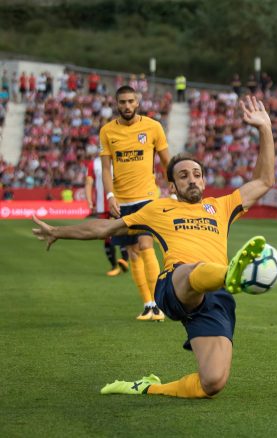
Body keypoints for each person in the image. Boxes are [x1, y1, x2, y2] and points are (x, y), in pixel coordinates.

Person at [31, 96, 275, 399]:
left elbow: (265, 180)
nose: (192, 180)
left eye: (197, 174)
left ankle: (149, 386)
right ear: (171, 186)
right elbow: (105, 228)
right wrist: (58, 231)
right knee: (193, 270)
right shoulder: (157, 209)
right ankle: (233, 273)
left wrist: (265, 128)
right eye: (183, 176)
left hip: (214, 298)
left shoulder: (222, 206)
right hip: (175, 285)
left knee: (212, 383)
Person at [99, 85, 171, 321]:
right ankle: (148, 304)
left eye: (131, 101)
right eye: (123, 102)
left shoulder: (152, 127)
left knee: (145, 243)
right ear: (117, 104)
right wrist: (110, 197)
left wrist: (174, 185)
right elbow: (106, 169)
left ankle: (159, 304)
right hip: (122, 200)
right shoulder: (107, 131)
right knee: (132, 252)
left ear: (137, 102)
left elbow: (165, 161)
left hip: (147, 197)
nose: (127, 106)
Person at [85, 154, 129, 277]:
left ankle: (124, 260)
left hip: (119, 203)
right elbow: (89, 182)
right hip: (102, 206)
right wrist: (89, 200)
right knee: (106, 235)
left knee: (121, 231)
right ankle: (115, 265)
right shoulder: (94, 163)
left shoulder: (120, 159)